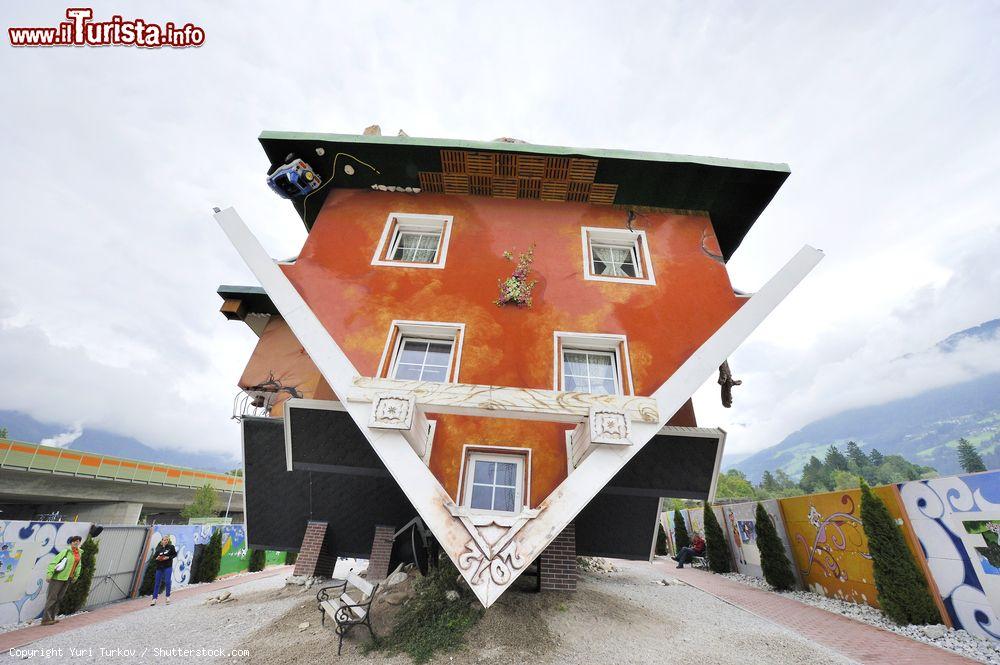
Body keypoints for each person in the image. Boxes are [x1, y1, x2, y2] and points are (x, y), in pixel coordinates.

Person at [42, 535, 83, 625]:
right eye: (74, 541)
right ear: (71, 542)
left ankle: (51, 618)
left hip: (68, 578)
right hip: (58, 578)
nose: (76, 542)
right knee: (52, 598)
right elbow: (54, 562)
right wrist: (49, 574)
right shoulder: (66, 551)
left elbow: (78, 565)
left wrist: (76, 576)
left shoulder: (79, 553)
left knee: (59, 598)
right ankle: (45, 619)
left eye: (78, 541)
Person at [150, 535, 178, 606]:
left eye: (166, 540)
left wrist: (168, 557)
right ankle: (154, 599)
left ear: (168, 541)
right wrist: (157, 558)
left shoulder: (171, 547)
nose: (165, 541)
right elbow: (154, 557)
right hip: (159, 567)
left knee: (167, 581)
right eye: (164, 540)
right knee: (157, 583)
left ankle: (167, 597)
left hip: (167, 567)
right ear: (161, 541)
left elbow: (175, 554)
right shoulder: (159, 548)